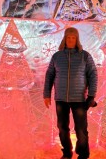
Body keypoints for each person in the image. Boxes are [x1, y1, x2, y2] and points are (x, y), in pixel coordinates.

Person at [43, 27, 98, 159]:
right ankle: (67, 153)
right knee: (62, 128)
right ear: (65, 39)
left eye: (73, 38)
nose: (71, 40)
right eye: (69, 37)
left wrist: (91, 95)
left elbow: (93, 75)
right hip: (61, 98)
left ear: (77, 39)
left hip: (79, 99)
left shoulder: (85, 56)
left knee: (81, 130)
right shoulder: (57, 56)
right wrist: (46, 94)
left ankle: (83, 154)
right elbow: (49, 75)